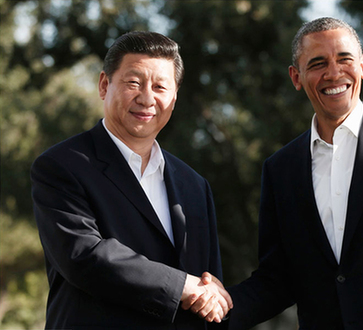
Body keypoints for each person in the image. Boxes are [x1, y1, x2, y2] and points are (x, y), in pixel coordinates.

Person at [191, 17, 363, 329]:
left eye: (344, 59)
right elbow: (276, 280)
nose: (334, 73)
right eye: (318, 63)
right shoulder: (280, 169)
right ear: (296, 77)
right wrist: (221, 305)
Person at [31, 31, 232, 329]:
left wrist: (212, 296)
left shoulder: (194, 185)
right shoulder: (61, 166)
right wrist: (183, 287)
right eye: (133, 83)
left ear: (174, 97)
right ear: (104, 85)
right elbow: (84, 257)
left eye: (161, 86)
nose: (147, 98)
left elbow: (209, 283)